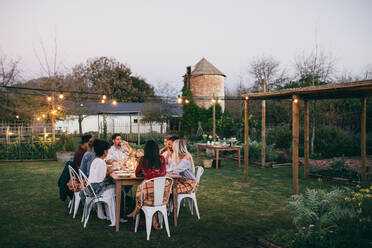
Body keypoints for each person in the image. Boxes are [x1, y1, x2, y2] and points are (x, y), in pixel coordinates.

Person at [127, 140, 170, 230]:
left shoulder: (143, 159)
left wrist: (145, 174)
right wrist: (154, 175)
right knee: (151, 192)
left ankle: (137, 213)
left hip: (147, 196)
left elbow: (137, 173)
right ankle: (154, 220)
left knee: (141, 195)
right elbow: (163, 173)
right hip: (161, 196)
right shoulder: (161, 158)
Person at [87, 139, 116, 226]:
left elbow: (98, 176)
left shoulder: (96, 160)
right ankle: (114, 219)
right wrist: (109, 173)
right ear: (104, 152)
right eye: (107, 150)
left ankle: (102, 213)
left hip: (91, 187)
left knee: (113, 186)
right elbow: (102, 180)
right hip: (96, 189)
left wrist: (107, 172)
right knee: (117, 188)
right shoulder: (101, 162)